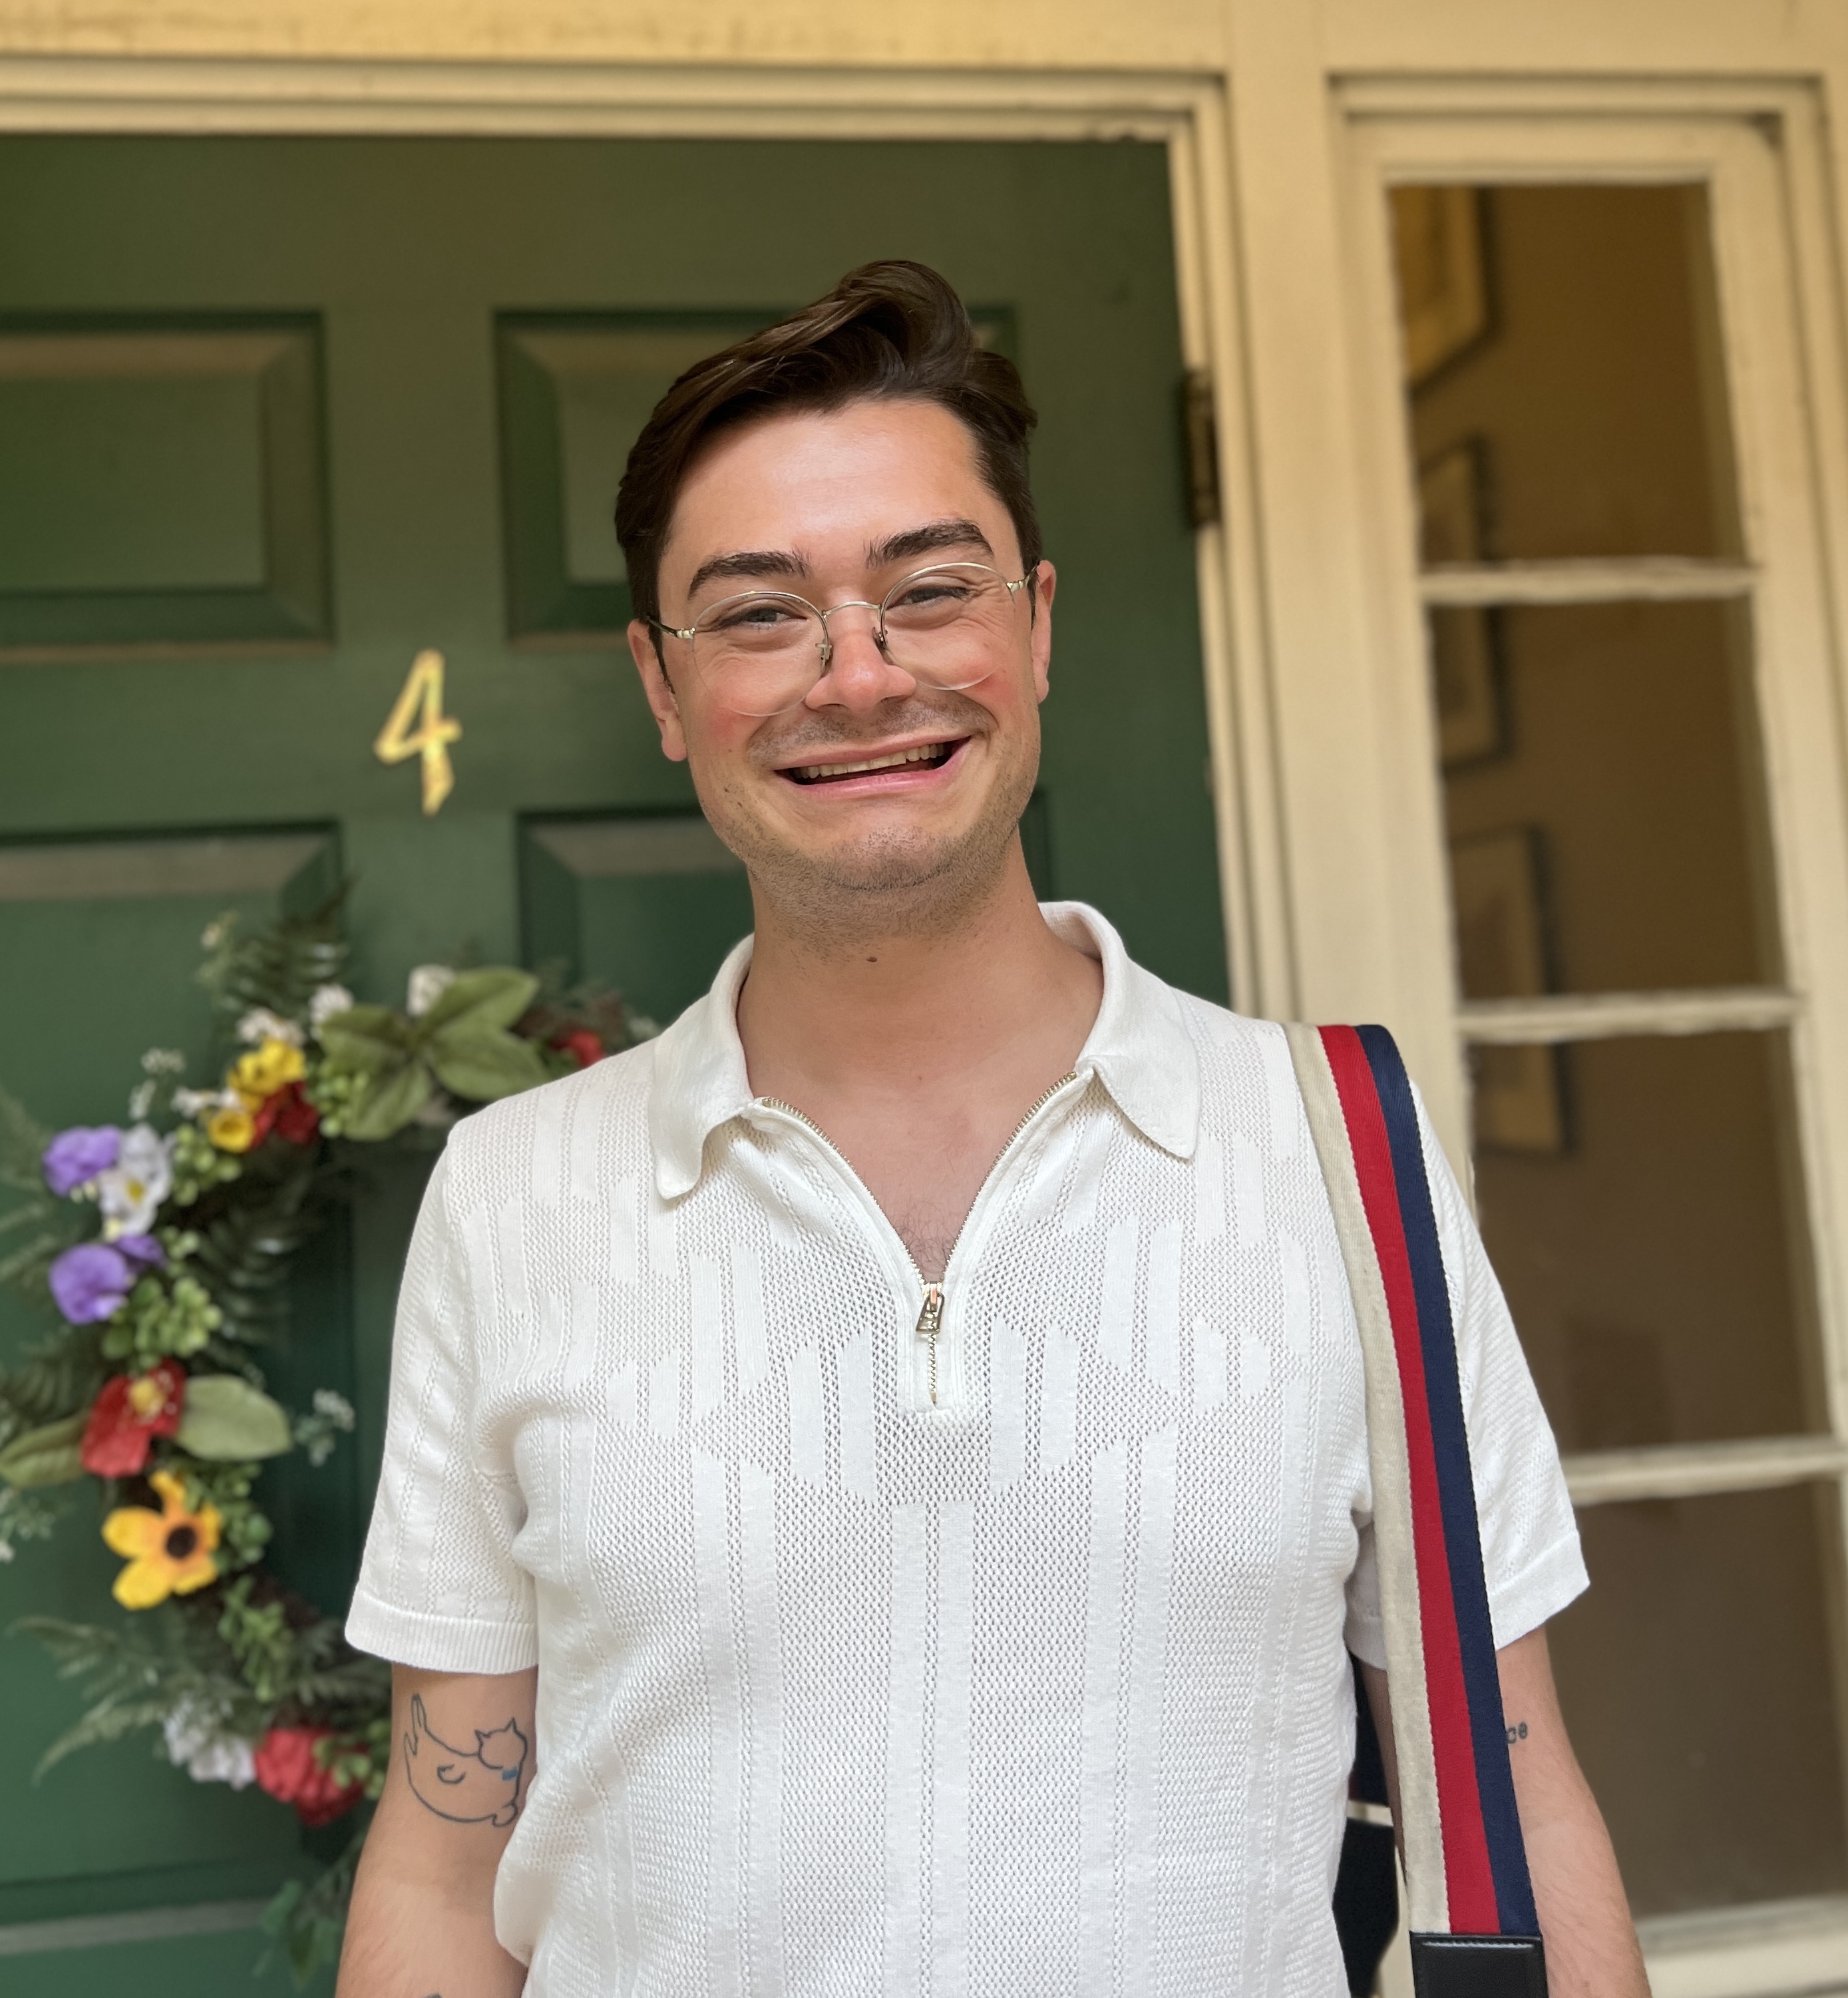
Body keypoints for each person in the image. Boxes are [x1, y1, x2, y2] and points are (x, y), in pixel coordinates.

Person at [337, 261, 1648, 1997]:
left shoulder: (1338, 1157)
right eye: (755, 614)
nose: (856, 673)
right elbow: (446, 1861)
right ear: (662, 691)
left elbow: (1516, 1787)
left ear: (1032, 625)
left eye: (925, 589)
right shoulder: (515, 1197)